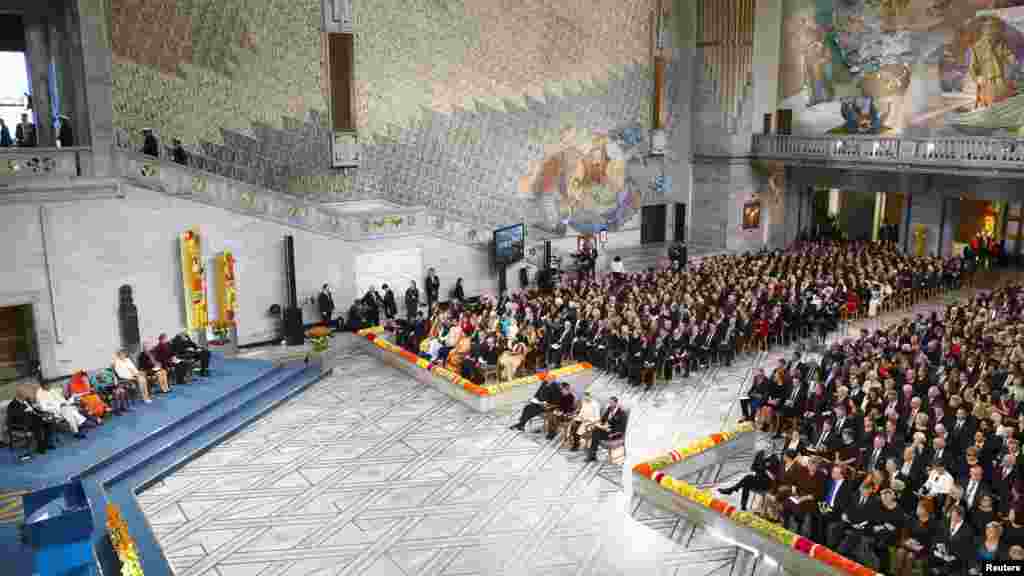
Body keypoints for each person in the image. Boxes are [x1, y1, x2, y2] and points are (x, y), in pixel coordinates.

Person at [718, 439, 779, 511]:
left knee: (747, 479)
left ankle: (731, 490)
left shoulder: (775, 459)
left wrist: (763, 469)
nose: (767, 447)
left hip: (766, 482)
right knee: (747, 482)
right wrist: (763, 469)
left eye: (770, 446)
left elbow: (774, 476)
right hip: (757, 478)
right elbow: (753, 467)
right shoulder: (760, 453)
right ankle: (742, 505)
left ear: (773, 449)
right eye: (767, 445)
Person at [8, 383, 53, 458]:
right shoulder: (12, 405)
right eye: (25, 392)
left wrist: (43, 413)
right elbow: (14, 418)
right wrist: (25, 411)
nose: (26, 393)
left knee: (49, 422)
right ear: (19, 394)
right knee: (37, 423)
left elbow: (35, 410)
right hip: (22, 424)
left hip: (33, 420)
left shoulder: (27, 401)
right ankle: (40, 447)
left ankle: (45, 444)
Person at [587, 396, 626, 462]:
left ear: (616, 403)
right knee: (595, 431)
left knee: (595, 433)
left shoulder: (621, 413)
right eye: (609, 403)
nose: (610, 404)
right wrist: (601, 425)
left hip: (615, 434)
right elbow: (602, 420)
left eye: (611, 403)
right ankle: (592, 455)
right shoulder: (608, 409)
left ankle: (592, 455)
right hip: (606, 431)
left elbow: (622, 427)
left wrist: (613, 433)